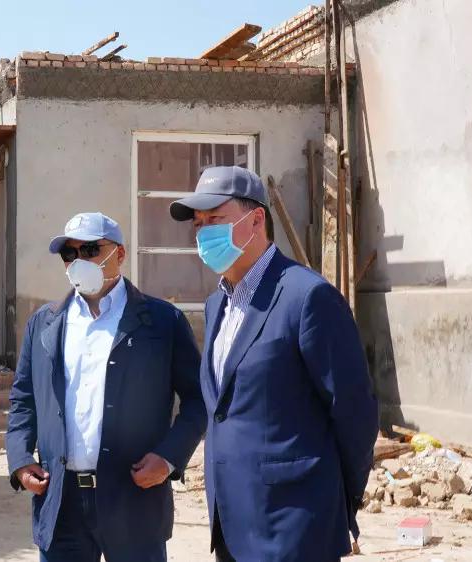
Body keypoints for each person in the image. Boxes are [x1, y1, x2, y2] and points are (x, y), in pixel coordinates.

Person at [169, 166, 379, 562]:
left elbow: (355, 413)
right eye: (198, 223)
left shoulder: (307, 297)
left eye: (215, 219)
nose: (203, 232)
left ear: (256, 220)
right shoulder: (217, 306)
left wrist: (341, 499)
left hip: (294, 526)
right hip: (230, 526)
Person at [6, 212, 207, 562]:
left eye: (89, 250)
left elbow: (198, 399)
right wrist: (21, 460)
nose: (78, 261)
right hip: (61, 500)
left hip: (134, 495)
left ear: (120, 254)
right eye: (69, 253)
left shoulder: (162, 322)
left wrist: (169, 458)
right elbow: (24, 400)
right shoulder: (44, 323)